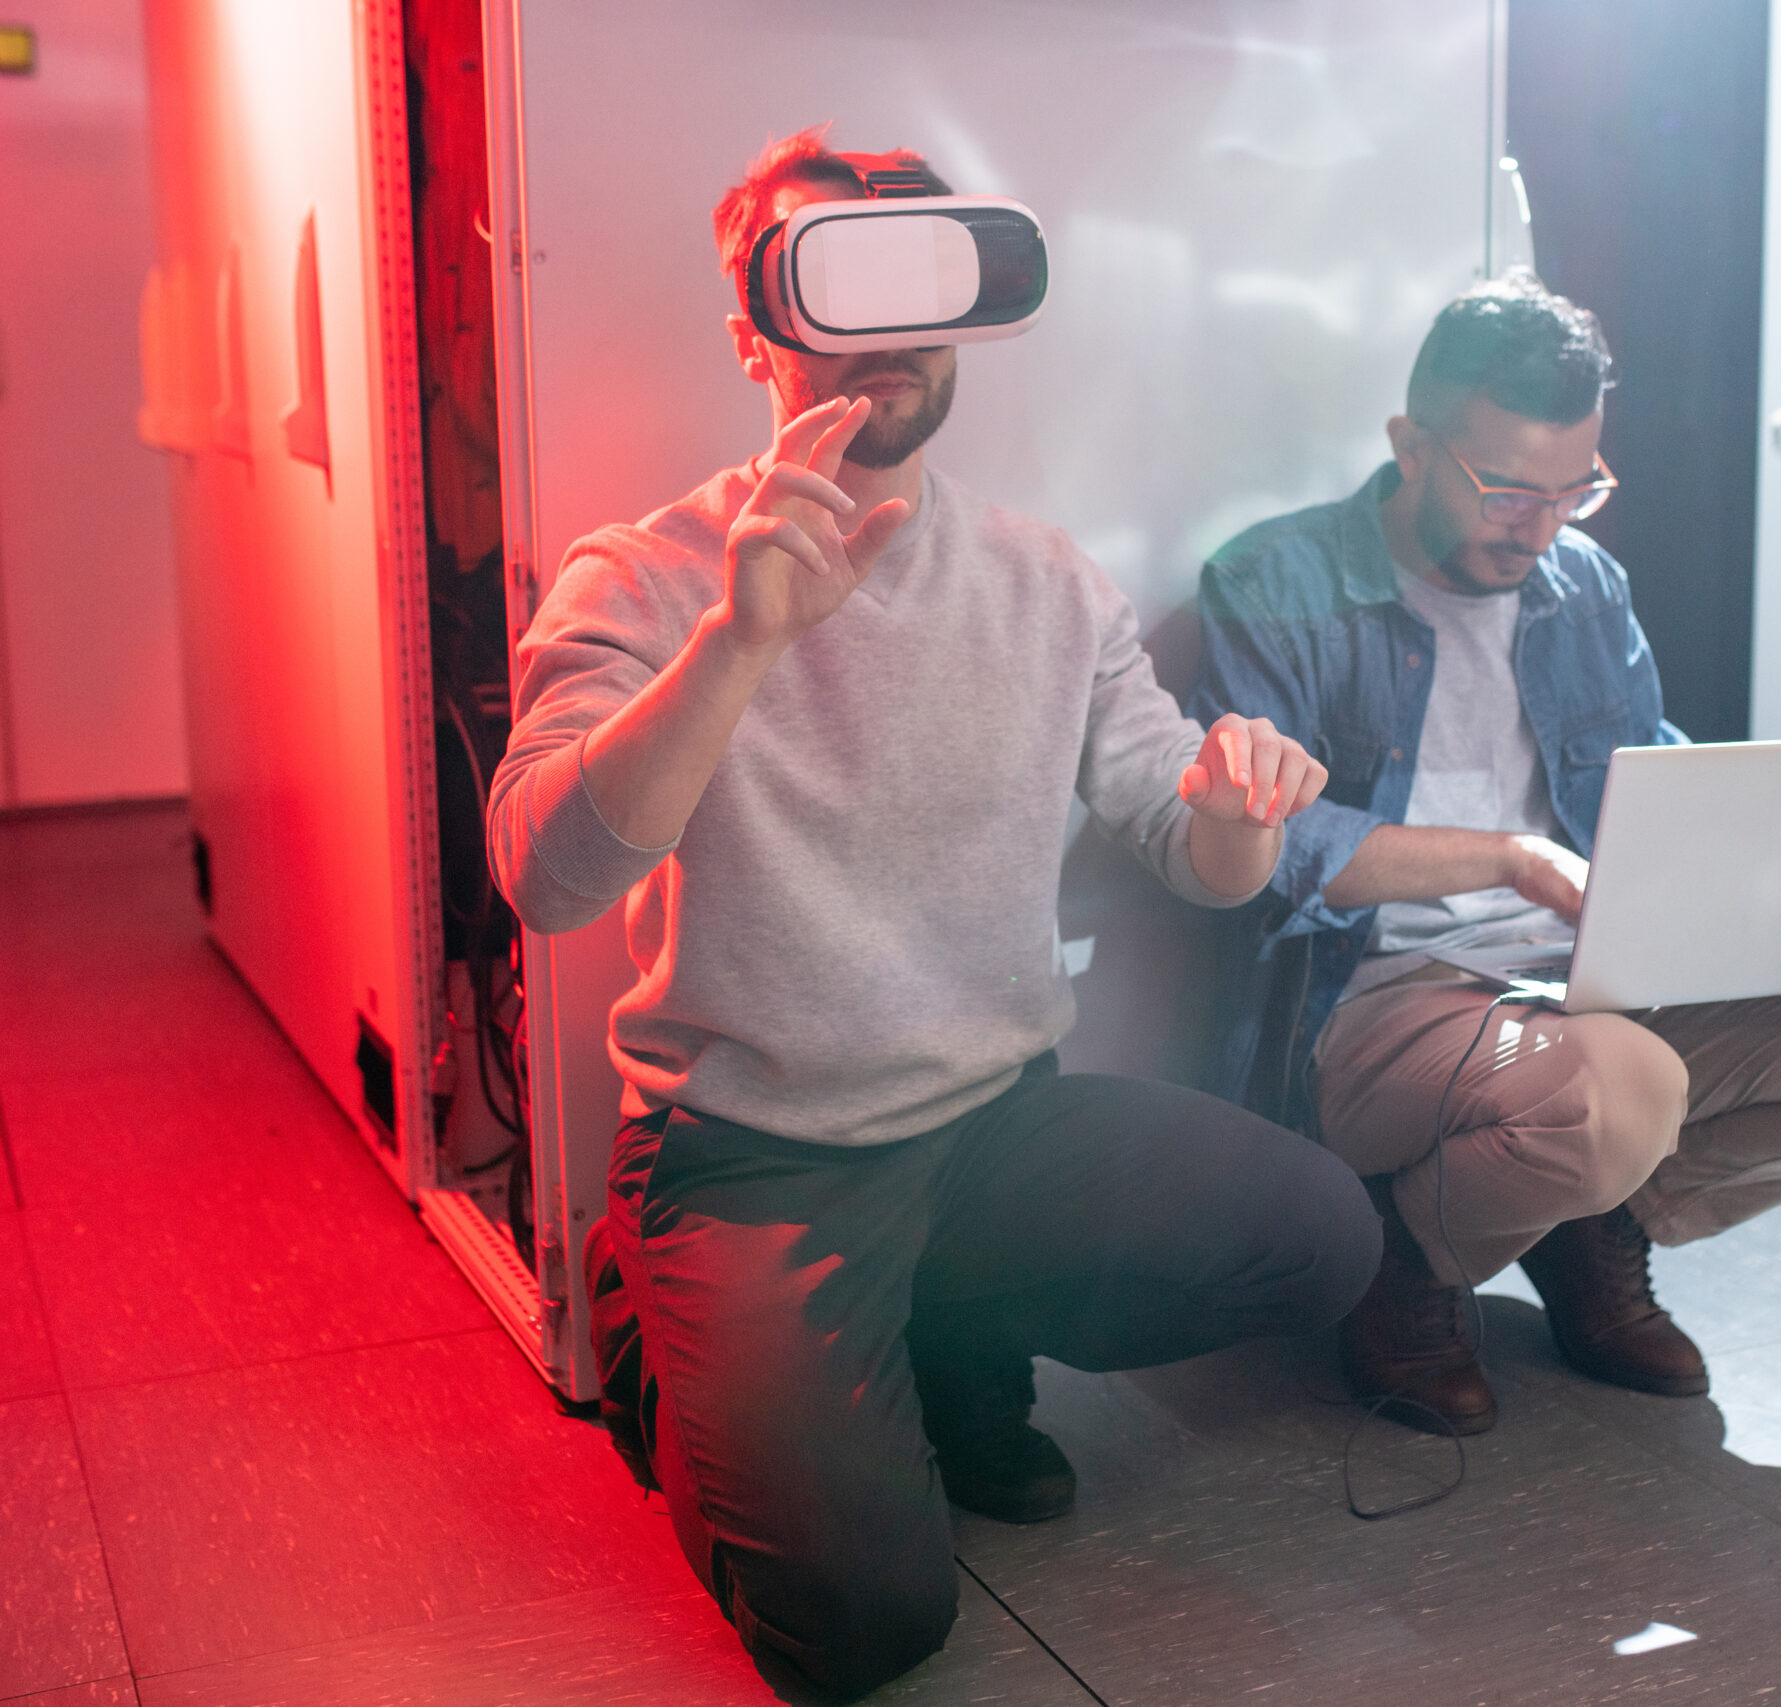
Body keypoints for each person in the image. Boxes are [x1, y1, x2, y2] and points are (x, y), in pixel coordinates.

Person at [487, 127, 1380, 1700]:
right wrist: (738, 646)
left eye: (917, 278)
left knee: (1318, 1238)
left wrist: (1241, 811)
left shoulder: (1049, 583)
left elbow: (1195, 849)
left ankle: (941, 1333)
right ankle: (650, 1314)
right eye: (829, 278)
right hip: (749, 1148)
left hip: (989, 1122)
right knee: (860, 1627)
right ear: (754, 325)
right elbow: (548, 880)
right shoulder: (637, 575)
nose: (882, 326)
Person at [1184, 274, 1781, 1437]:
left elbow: (1648, 782)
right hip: (1383, 1006)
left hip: (1591, 988)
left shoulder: (1583, 585)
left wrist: (1771, 867)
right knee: (1622, 1087)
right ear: (1411, 447)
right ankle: (1404, 1258)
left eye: (1578, 491)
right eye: (1510, 489)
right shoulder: (1276, 583)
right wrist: (1513, 858)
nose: (1544, 525)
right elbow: (1280, 852)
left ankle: (1591, 1216)